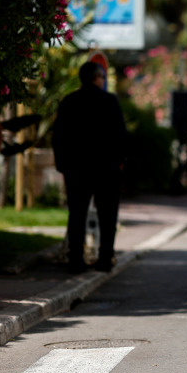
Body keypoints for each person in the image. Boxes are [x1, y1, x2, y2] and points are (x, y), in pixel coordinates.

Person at [53, 61, 127, 274]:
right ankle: (105, 259)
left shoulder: (69, 101)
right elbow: (121, 136)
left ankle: (75, 260)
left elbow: (58, 136)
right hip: (106, 169)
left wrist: (62, 165)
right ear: (96, 78)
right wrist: (120, 162)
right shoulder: (109, 101)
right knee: (107, 215)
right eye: (102, 77)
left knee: (76, 214)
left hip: (76, 169)